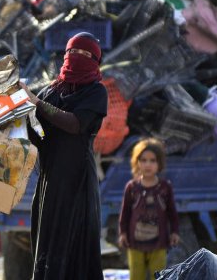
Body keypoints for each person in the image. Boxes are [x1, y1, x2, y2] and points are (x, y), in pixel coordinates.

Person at [21, 32, 108, 280]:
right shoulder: (52, 90)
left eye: (84, 53)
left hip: (77, 184)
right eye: (72, 51)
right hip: (50, 182)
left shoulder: (95, 92)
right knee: (47, 247)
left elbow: (74, 124)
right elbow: (37, 135)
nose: (76, 57)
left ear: (95, 59)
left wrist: (36, 103)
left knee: (75, 248)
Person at [118, 138, 180, 280]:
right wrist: (123, 233)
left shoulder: (165, 188)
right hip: (135, 245)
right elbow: (125, 213)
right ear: (137, 162)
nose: (148, 165)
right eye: (143, 160)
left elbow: (172, 212)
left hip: (159, 245)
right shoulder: (132, 187)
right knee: (136, 277)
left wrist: (175, 232)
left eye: (152, 160)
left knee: (158, 277)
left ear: (160, 163)